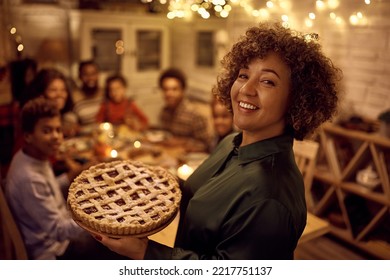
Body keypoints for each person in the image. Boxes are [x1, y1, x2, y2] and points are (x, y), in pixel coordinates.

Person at [89, 22, 341, 260]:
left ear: (298, 100)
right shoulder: (231, 142)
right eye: (243, 75)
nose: (246, 89)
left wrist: (145, 252)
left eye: (267, 81)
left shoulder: (271, 199)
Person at [4, 97, 127, 260]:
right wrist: (101, 213)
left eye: (58, 130)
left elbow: (49, 189)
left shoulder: (32, 156)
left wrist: (75, 172)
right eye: (47, 131)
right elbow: (58, 231)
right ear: (28, 136)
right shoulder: (29, 177)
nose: (56, 137)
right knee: (124, 241)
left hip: (62, 228)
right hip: (56, 250)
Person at [158, 68, 211, 152]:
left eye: (174, 89)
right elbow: (166, 137)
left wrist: (182, 142)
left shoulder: (195, 115)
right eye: (165, 89)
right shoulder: (164, 112)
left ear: (183, 90)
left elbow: (206, 146)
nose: (169, 94)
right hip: (169, 158)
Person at [71, 60, 104, 132]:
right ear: (79, 76)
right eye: (85, 74)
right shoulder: (74, 97)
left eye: (93, 74)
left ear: (98, 75)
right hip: (83, 138)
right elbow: (69, 120)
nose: (90, 78)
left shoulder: (105, 94)